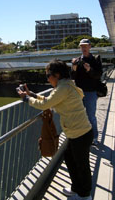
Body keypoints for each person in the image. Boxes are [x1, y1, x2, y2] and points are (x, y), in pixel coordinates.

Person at [17, 59, 93, 200]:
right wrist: (32, 95)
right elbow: (51, 99)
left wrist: (26, 99)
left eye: (48, 75)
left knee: (82, 166)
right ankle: (76, 189)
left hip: (80, 133)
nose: (47, 79)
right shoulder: (66, 85)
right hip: (78, 132)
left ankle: (85, 195)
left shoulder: (63, 88)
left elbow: (46, 104)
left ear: (56, 75)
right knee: (70, 159)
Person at [71, 39, 102, 145]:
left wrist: (89, 70)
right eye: (81, 46)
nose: (83, 48)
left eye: (85, 46)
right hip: (78, 92)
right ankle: (82, 137)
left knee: (91, 116)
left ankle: (94, 137)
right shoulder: (77, 60)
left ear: (89, 47)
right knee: (79, 116)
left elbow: (98, 75)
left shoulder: (95, 60)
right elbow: (73, 77)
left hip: (91, 92)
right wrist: (74, 68)